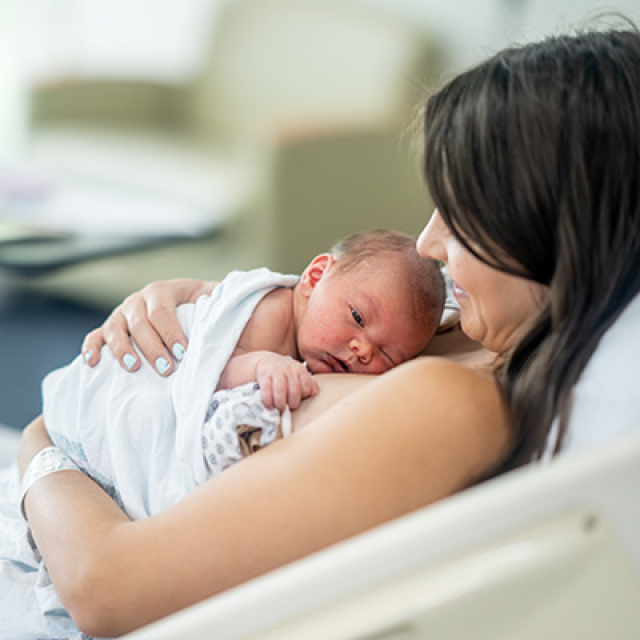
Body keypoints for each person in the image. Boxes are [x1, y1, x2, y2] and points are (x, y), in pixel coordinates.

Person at [6, 23, 640, 639]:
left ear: (555, 232)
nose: (429, 242)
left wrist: (40, 446)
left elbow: (104, 588)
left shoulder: (450, 403)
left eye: (466, 213)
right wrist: (199, 303)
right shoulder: (465, 331)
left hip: (72, 509)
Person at [39, 228, 445, 520]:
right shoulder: (270, 311)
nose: (362, 349)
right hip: (125, 373)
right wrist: (262, 365)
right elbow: (210, 367)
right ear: (315, 277)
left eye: (387, 356)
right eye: (357, 317)